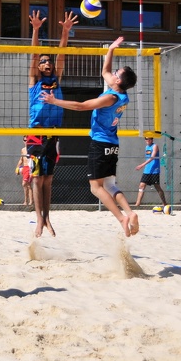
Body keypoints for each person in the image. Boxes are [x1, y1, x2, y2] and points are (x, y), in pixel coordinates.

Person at [40, 36, 140, 237]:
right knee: (110, 185)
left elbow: (81, 106)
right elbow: (104, 71)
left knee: (96, 188)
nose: (112, 73)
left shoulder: (110, 97)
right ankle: (130, 212)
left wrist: (54, 101)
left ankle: (122, 219)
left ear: (118, 80)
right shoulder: (122, 95)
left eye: (116, 73)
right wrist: (110, 48)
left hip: (101, 144)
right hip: (112, 144)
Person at [26, 10, 78, 237]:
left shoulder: (57, 80)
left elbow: (62, 55)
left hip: (54, 134)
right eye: (44, 62)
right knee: (37, 179)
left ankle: (47, 218)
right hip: (36, 134)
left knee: (48, 179)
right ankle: (38, 220)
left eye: (49, 61)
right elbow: (34, 54)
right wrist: (36, 30)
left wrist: (65, 32)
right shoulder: (33, 82)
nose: (47, 63)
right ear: (39, 67)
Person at [135, 136, 168, 207]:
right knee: (141, 186)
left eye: (148, 139)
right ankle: (137, 204)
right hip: (147, 170)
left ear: (152, 139)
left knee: (157, 187)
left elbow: (152, 157)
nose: (147, 140)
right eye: (146, 139)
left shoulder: (155, 146)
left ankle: (164, 203)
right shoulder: (147, 147)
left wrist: (142, 165)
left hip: (154, 170)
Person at [15, 137, 33, 207]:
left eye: (27, 140)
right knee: (27, 185)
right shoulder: (23, 150)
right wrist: (17, 167)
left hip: (29, 167)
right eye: (25, 140)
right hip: (24, 168)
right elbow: (21, 159)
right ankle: (26, 201)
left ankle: (30, 201)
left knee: (25, 184)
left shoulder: (31, 148)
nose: (26, 141)